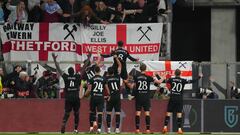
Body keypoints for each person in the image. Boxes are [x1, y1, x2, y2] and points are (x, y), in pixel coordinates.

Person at [162, 69, 203, 134]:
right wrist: (199, 77)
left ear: (174, 74)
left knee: (168, 113)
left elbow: (163, 81)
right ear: (180, 74)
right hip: (179, 99)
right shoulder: (183, 80)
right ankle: (179, 129)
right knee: (179, 114)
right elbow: (192, 81)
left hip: (172, 98)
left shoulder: (171, 79)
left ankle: (165, 127)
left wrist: (158, 76)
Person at [129, 63, 164, 134]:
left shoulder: (136, 76)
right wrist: (162, 77)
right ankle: (148, 130)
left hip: (138, 97)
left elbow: (131, 85)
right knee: (147, 113)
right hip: (146, 97)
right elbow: (159, 82)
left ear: (140, 69)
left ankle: (137, 130)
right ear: (145, 69)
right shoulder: (148, 77)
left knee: (138, 113)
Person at [52, 53, 81, 134]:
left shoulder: (66, 77)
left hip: (68, 97)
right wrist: (88, 58)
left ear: (68, 72)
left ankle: (64, 122)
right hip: (76, 97)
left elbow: (58, 69)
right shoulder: (77, 76)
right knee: (76, 113)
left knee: (67, 112)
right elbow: (84, 69)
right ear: (74, 72)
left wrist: (54, 60)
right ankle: (75, 129)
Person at [84, 66, 110, 133]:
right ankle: (99, 130)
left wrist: (85, 95)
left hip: (93, 97)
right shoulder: (103, 79)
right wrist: (109, 95)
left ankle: (91, 129)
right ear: (99, 71)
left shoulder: (91, 79)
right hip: (101, 97)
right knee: (100, 113)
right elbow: (107, 89)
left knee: (92, 113)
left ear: (95, 71)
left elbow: (89, 89)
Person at [105, 54, 123, 134]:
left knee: (108, 113)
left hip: (111, 97)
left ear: (108, 73)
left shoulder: (106, 78)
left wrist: (108, 95)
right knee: (118, 113)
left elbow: (107, 89)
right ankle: (117, 129)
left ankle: (108, 129)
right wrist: (116, 57)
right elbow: (120, 65)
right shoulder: (117, 77)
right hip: (117, 97)